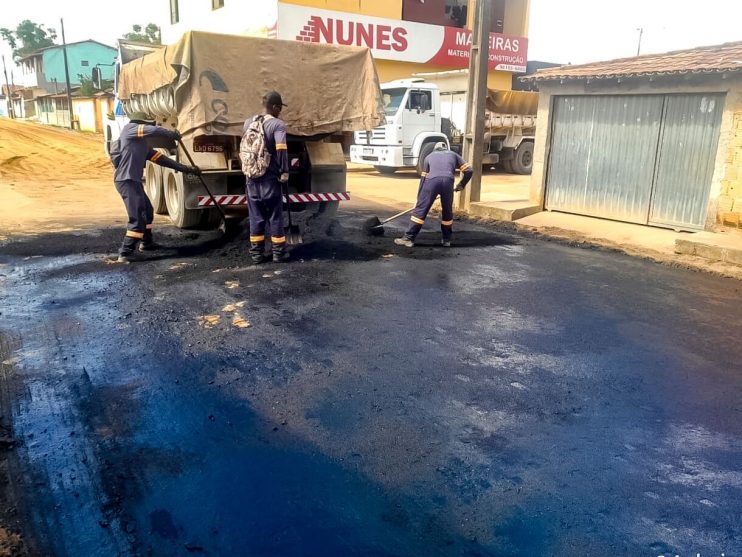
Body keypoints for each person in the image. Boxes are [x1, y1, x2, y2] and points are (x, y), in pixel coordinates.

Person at [110, 111, 201, 263]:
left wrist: (186, 169)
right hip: (126, 180)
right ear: (142, 123)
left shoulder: (142, 145)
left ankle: (147, 242)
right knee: (137, 216)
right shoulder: (129, 129)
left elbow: (163, 160)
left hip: (133, 181)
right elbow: (153, 130)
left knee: (147, 210)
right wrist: (171, 134)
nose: (148, 128)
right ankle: (125, 252)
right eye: (147, 125)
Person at [394, 142, 473, 248]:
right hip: (448, 182)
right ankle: (446, 240)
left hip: (432, 182)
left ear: (435, 149)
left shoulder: (429, 157)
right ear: (446, 148)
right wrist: (461, 185)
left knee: (421, 210)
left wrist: (420, 200)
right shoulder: (454, 155)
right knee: (447, 211)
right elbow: (469, 170)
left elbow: (423, 179)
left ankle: (409, 238)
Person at [244, 91, 290, 264]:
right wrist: (284, 171)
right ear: (276, 107)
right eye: (280, 108)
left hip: (251, 178)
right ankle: (278, 253)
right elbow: (281, 148)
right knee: (275, 215)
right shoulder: (277, 125)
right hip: (269, 179)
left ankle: (256, 254)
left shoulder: (248, 123)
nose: (280, 111)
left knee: (256, 216)